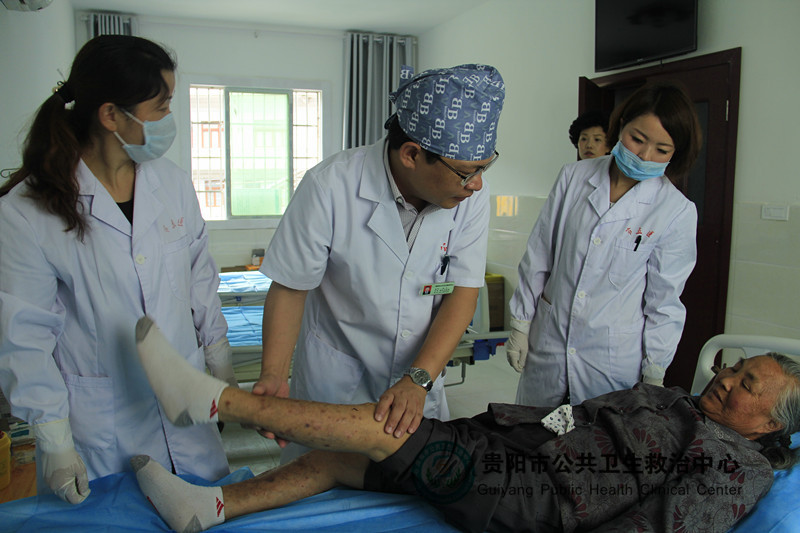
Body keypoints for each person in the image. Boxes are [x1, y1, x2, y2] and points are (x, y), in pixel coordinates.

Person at [132, 316, 800, 533]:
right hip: (515, 449)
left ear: (771, 424)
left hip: (537, 495)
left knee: (385, 426)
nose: (726, 377)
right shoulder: (680, 402)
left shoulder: (737, 464)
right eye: (736, 367)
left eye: (746, 385)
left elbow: (665, 527)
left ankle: (213, 401)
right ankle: (209, 508)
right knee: (341, 459)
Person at [0, 35, 236, 504]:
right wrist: (55, 441)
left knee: (205, 510)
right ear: (111, 115)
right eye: (161, 107)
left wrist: (220, 366)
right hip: (103, 425)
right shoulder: (27, 212)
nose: (169, 119)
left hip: (188, 410)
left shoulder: (172, 184)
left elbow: (200, 281)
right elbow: (24, 337)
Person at [253, 64, 505, 460]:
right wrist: (272, 374)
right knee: (320, 480)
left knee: (411, 484)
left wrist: (418, 380)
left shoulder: (469, 198)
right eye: (465, 173)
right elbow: (290, 286)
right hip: (336, 381)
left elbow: (462, 292)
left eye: (483, 169)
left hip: (417, 383)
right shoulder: (330, 185)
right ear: (411, 154)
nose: (476, 184)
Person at [506, 82, 703, 407]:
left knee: (596, 436)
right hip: (550, 342)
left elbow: (664, 301)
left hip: (612, 360)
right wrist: (521, 323)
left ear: (676, 153)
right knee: (531, 430)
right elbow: (539, 256)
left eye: (662, 150)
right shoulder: (573, 177)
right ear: (620, 125)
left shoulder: (675, 210)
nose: (644, 155)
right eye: (637, 139)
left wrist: (655, 371)